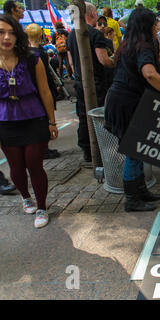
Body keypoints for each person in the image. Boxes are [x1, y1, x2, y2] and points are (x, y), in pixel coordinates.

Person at [104, 8, 160, 212]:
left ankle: (140, 191)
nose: (157, 26)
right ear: (147, 25)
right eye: (154, 23)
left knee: (138, 149)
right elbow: (149, 74)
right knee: (134, 152)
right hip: (127, 103)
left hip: (122, 100)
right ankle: (132, 199)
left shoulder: (127, 44)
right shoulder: (144, 47)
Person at [0, 14, 58, 228]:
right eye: (1, 32)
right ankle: (25, 197)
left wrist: (52, 122)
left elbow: (45, 90)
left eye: (11, 32)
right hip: (5, 121)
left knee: (34, 163)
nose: (7, 37)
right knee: (16, 166)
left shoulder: (31, 57)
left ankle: (42, 207)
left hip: (34, 117)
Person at [67, 2, 114, 162]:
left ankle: (87, 150)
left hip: (80, 82)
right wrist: (115, 60)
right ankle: (100, 149)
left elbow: (71, 63)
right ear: (92, 14)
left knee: (83, 116)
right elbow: (104, 60)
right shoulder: (94, 34)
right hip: (97, 84)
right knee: (99, 115)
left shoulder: (72, 34)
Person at [26, 23, 60, 160]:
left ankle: (44, 148)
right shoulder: (38, 54)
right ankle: (44, 149)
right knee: (44, 118)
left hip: (36, 90)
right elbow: (45, 76)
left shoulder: (30, 53)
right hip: (42, 89)